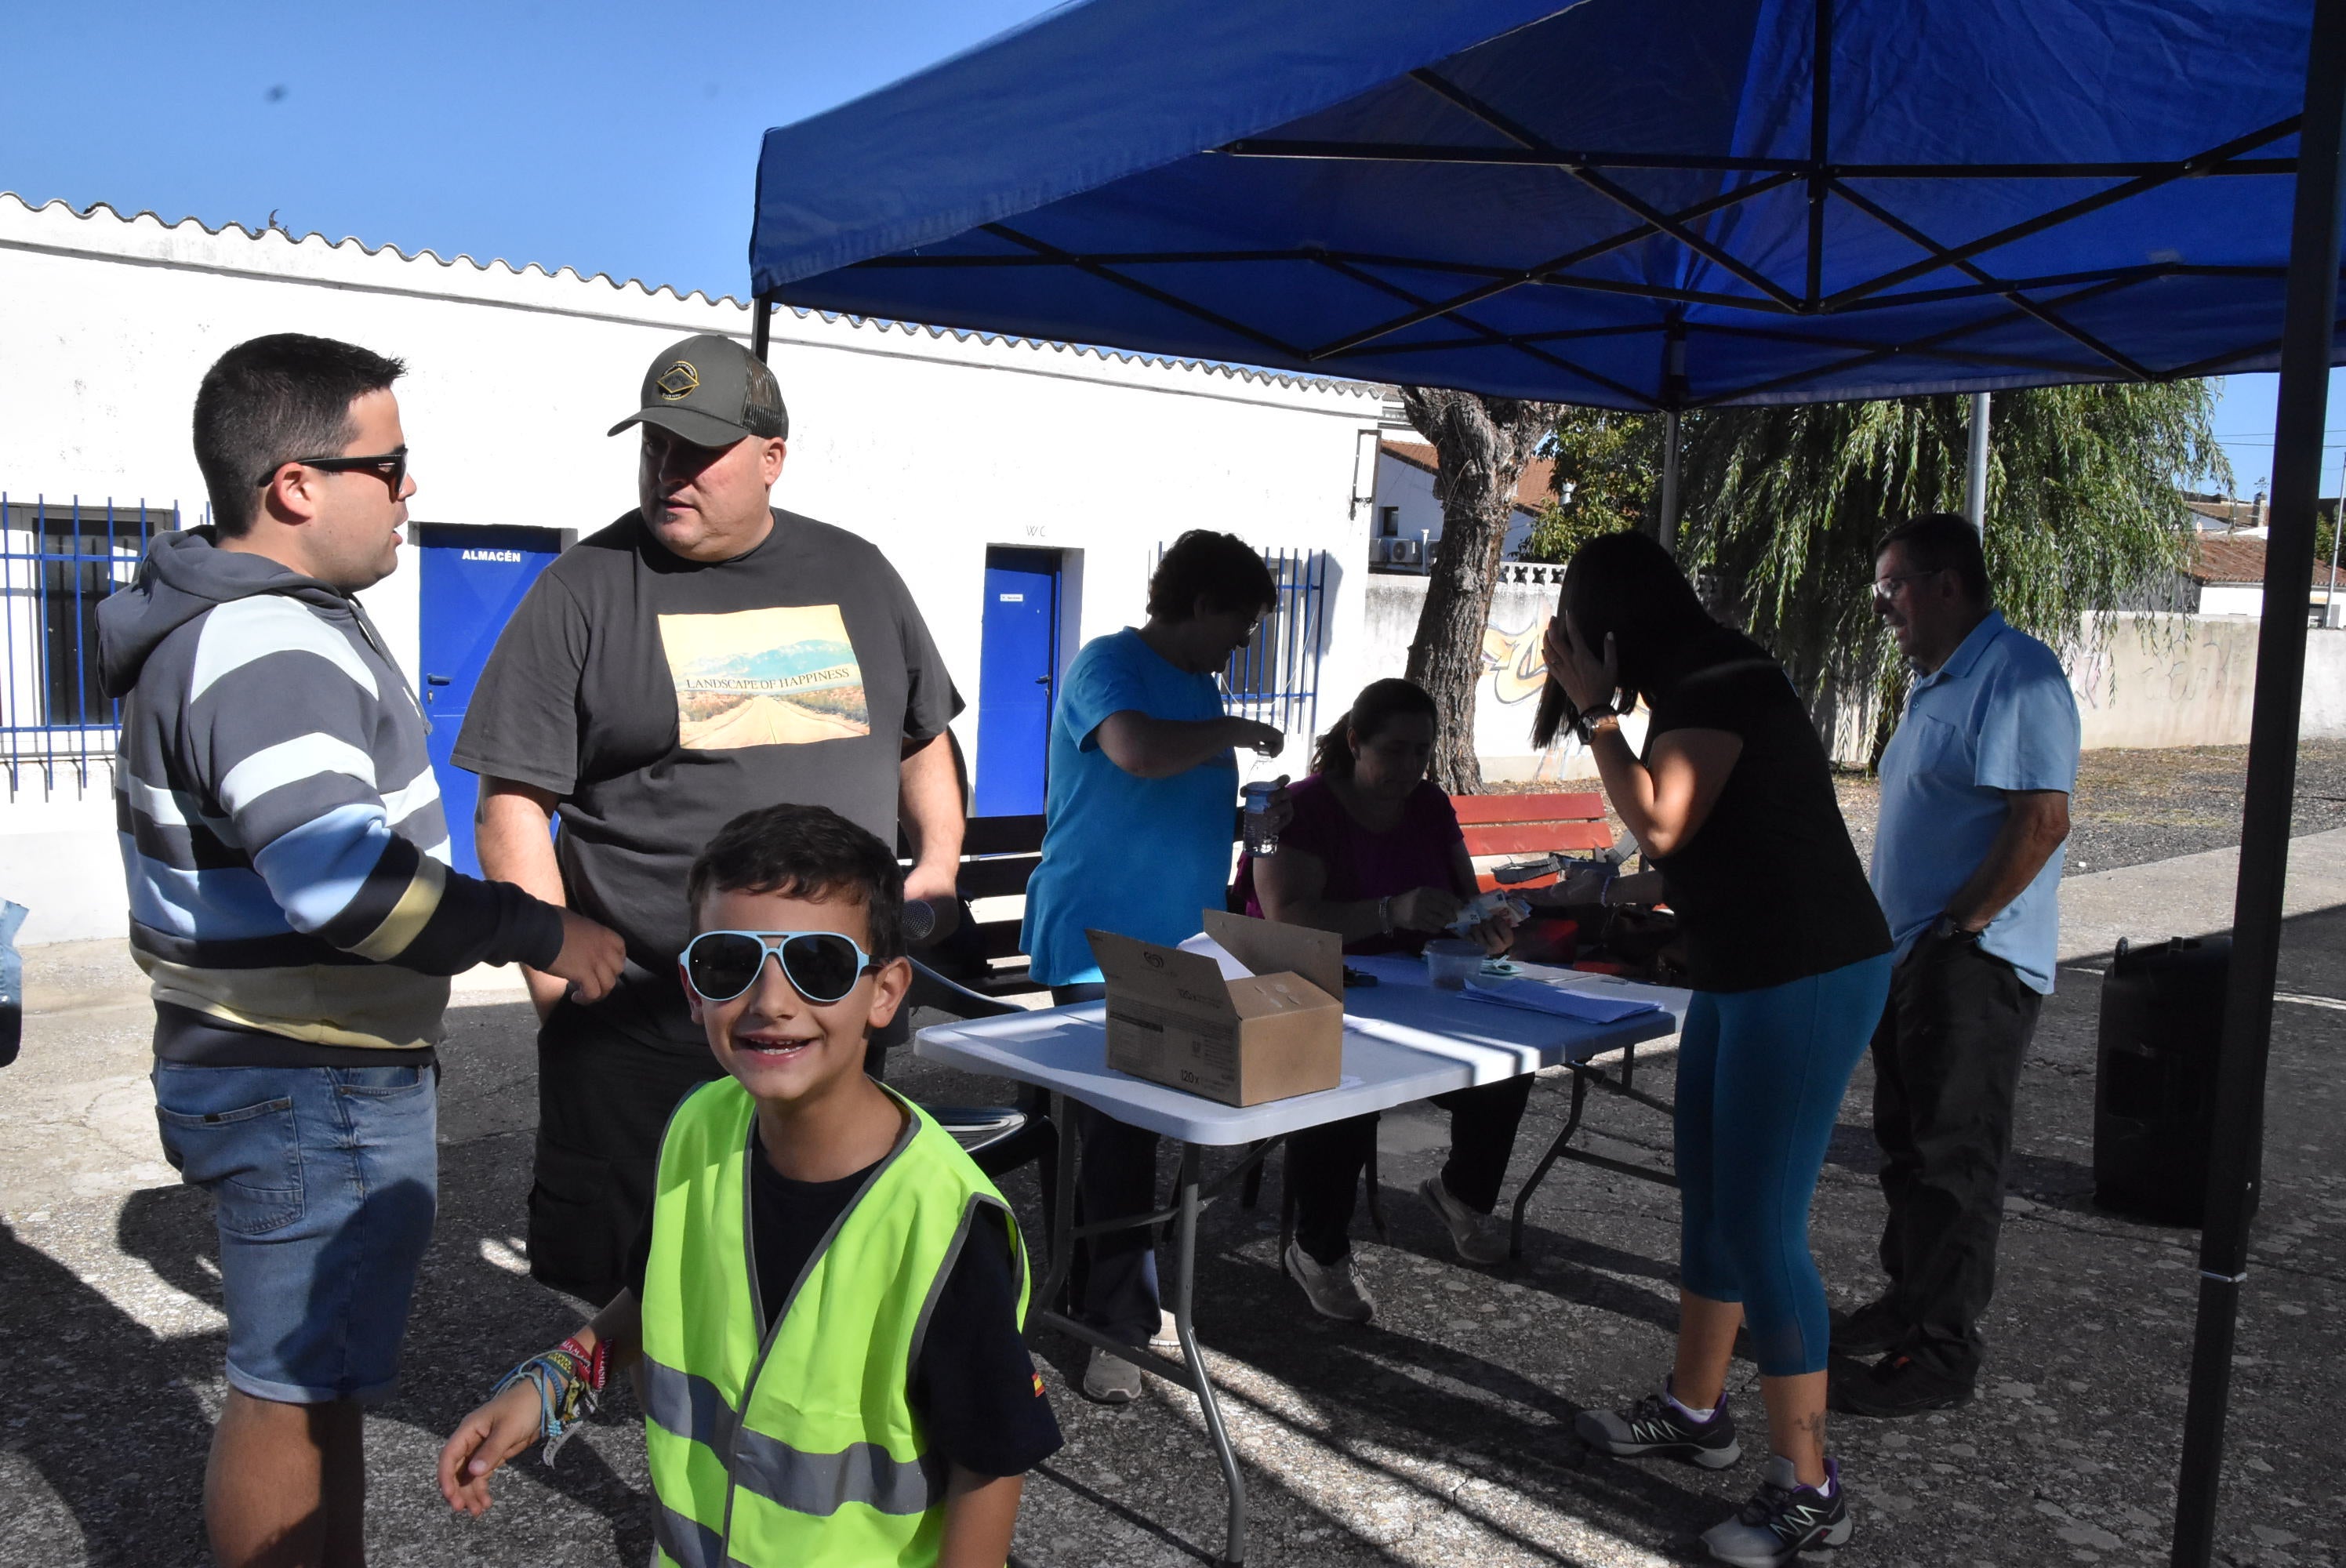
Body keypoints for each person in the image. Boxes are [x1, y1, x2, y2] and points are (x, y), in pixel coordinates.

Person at [100, 334, 624, 1568]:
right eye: (388, 468)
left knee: (313, 1382)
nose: (408, 492)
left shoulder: (236, 624)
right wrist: (538, 927)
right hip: (308, 1080)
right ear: (294, 485)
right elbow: (344, 888)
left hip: (272, 1066)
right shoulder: (266, 643)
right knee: (289, 1391)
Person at [454, 333, 966, 1308]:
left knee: (815, 1256)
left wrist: (936, 868)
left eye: (698, 451)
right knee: (625, 1274)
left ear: (772, 456)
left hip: (827, 1005)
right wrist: (558, 972)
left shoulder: (858, 573)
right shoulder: (586, 589)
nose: (669, 472)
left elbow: (921, 737)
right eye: (655, 447)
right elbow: (512, 803)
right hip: (650, 1017)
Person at [438, 804, 1059, 1567]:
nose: (770, 1002)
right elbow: (655, 1294)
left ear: (886, 991)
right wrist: (553, 1380)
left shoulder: (943, 1225)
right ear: (694, 990)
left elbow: (988, 1459)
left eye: (820, 963)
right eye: (730, 962)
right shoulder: (698, 1125)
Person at [1538, 531, 1892, 1568]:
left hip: (1810, 970)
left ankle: (1811, 1485)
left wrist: (1599, 713)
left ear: (1613, 627)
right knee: (1708, 1188)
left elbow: (1664, 823)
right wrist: (1601, 894)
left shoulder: (1717, 677)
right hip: (1746, 969)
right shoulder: (1701, 678)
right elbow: (1710, 849)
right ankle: (1698, 1412)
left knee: (1764, 1223)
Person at [1019, 529, 1286, 1405]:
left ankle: (1089, 1287)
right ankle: (1117, 1327)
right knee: (1122, 1127)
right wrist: (1234, 729)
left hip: (1174, 944)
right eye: (1239, 625)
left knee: (1117, 1126)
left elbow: (1169, 800)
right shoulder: (1111, 662)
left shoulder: (1196, 685)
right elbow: (1135, 751)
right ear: (1202, 603)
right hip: (1099, 936)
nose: (1239, 646)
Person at [1830, 512, 2078, 1417]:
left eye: (1890, 585)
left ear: (1943, 583)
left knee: (1954, 1160)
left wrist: (1958, 926)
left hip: (1971, 964)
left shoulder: (2015, 675)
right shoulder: (1933, 683)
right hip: (1909, 958)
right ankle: (1907, 1300)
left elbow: (2041, 820)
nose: (1881, 604)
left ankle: (1939, 1351)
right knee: (1906, 1146)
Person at [1237, 677, 1523, 1319]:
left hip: (1406, 985)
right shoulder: (1302, 809)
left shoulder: (1427, 803)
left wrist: (1486, 924)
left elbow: (1464, 895)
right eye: (1395, 750)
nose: (1410, 768)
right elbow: (1288, 920)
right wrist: (1391, 911)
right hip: (1300, 987)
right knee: (1346, 1085)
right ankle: (1319, 1250)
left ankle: (1462, 1195)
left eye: (1422, 752)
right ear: (1354, 741)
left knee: (1509, 1064)